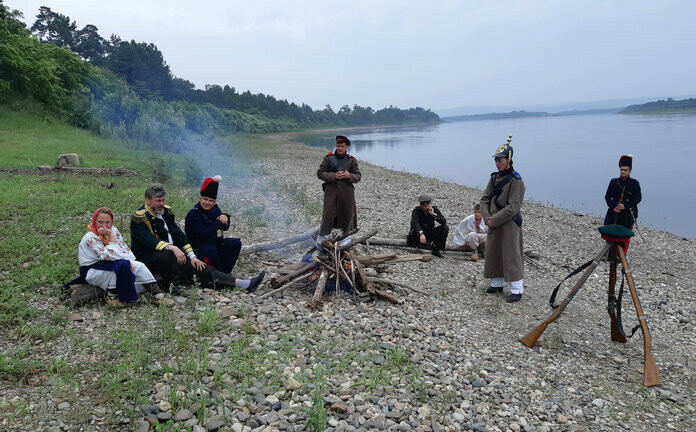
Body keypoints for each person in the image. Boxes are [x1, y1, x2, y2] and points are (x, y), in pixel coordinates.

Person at [130, 184, 262, 293]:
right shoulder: (140, 217)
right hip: (150, 259)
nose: (162, 204)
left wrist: (192, 256)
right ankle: (167, 284)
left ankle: (242, 284)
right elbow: (148, 240)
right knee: (172, 258)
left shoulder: (165, 212)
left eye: (163, 200)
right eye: (158, 201)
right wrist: (173, 248)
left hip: (173, 256)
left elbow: (178, 235)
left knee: (199, 267)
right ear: (148, 200)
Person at [65, 207, 169, 307]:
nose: (104, 226)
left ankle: (158, 295)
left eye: (107, 222)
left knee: (139, 266)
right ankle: (112, 296)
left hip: (114, 262)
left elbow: (124, 250)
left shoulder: (113, 230)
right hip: (92, 268)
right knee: (118, 270)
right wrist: (111, 238)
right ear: (94, 221)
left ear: (112, 222)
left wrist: (129, 263)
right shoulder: (90, 237)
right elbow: (106, 256)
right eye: (100, 222)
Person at [185, 176, 265, 291]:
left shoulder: (215, 209)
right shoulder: (193, 214)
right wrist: (218, 222)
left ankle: (225, 273)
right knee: (211, 252)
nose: (207, 202)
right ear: (200, 198)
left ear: (214, 202)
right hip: (197, 247)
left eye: (211, 201)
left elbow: (225, 226)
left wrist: (225, 217)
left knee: (234, 243)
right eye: (205, 199)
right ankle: (219, 278)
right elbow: (204, 234)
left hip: (211, 242)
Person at [480, 138, 525, 302]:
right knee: (494, 252)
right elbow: (484, 199)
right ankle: (497, 284)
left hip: (509, 224)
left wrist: (494, 220)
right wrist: (487, 218)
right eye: (496, 160)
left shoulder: (516, 180)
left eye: (500, 160)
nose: (497, 163)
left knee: (511, 254)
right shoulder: (494, 178)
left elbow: (514, 207)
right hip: (493, 221)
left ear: (508, 160)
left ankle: (516, 289)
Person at [317, 135, 361, 247]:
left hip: (347, 194)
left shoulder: (352, 160)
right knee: (328, 216)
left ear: (347, 147)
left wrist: (348, 175)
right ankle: (322, 242)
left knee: (347, 215)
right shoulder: (328, 158)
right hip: (331, 193)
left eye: (342, 146)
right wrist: (334, 175)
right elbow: (320, 173)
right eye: (338, 146)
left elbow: (358, 176)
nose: (339, 148)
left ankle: (345, 242)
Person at [604, 154, 641, 253]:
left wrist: (625, 206)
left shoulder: (635, 184)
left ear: (630, 171)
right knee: (610, 234)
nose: (623, 172)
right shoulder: (613, 182)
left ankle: (622, 255)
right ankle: (610, 253)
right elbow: (608, 197)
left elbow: (637, 198)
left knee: (625, 236)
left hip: (628, 215)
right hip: (614, 213)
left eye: (625, 170)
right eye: (622, 170)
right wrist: (613, 207)